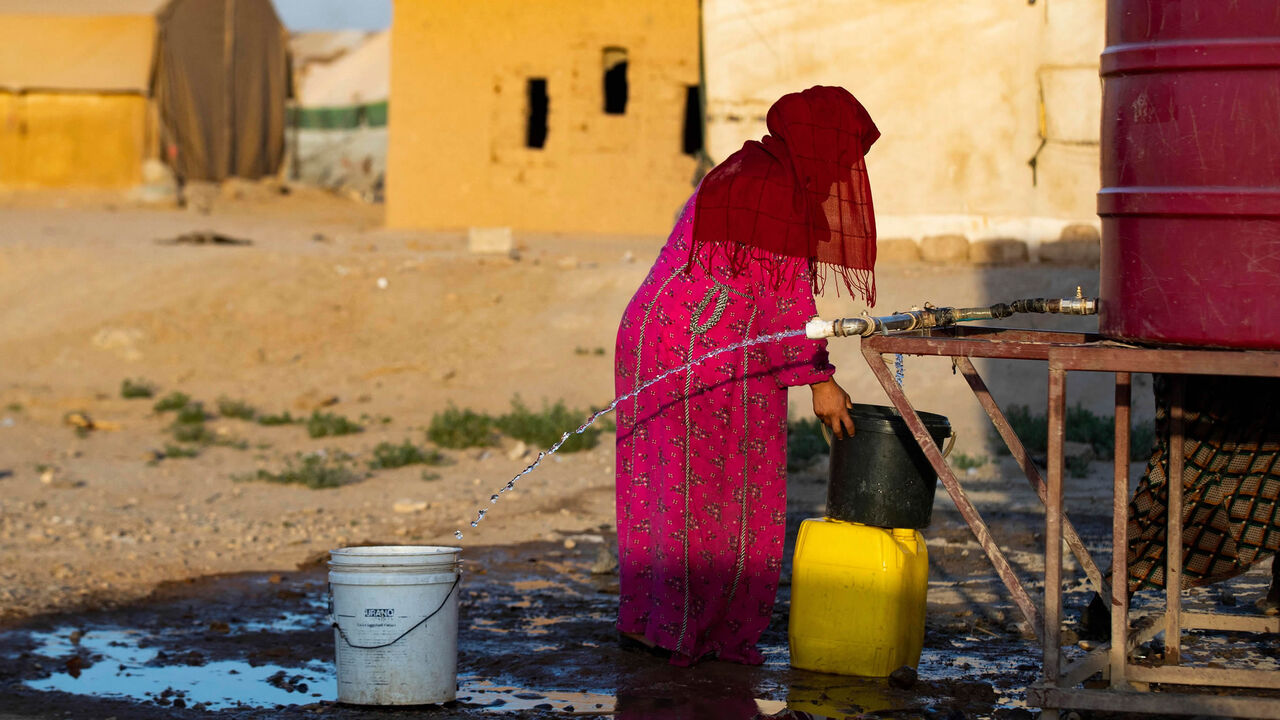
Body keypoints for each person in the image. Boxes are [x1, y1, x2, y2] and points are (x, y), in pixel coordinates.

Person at [612, 86, 880, 665]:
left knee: (662, 489)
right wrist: (820, 381)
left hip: (654, 336)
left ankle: (653, 623)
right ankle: (700, 633)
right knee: (719, 490)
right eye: (842, 156)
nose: (843, 173)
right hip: (704, 353)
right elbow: (782, 309)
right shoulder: (780, 195)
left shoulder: (737, 170)